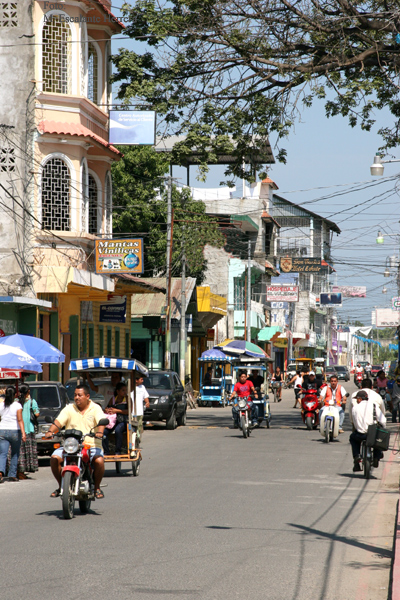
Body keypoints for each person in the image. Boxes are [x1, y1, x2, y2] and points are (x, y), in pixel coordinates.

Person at [44, 384, 107, 499]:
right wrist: (50, 431)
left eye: (80, 395)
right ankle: (61, 486)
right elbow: (58, 422)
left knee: (99, 461)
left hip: (91, 445)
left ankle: (97, 487)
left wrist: (100, 432)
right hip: (71, 445)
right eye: (75, 395)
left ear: (87, 396)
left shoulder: (95, 408)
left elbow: (101, 422)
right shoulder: (69, 408)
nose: (77, 397)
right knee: (54, 458)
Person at [349, 389, 386, 471]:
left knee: (352, 438)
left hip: (360, 434)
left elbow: (354, 422)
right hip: (372, 434)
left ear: (359, 399)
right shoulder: (373, 406)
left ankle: (357, 455)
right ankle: (376, 457)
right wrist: (383, 428)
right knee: (378, 439)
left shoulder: (355, 408)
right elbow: (383, 420)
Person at [0, 386, 26, 482]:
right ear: (15, 394)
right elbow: (20, 420)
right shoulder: (17, 405)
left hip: (2, 430)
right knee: (15, 453)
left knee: (3, 453)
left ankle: (0, 472)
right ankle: (12, 474)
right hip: (15, 431)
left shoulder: (1, 405)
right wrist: (23, 433)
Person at [14, 384, 39, 479]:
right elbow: (37, 414)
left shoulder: (15, 402)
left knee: (18, 452)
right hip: (28, 429)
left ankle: (17, 471)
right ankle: (21, 472)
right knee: (26, 452)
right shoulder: (32, 402)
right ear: (28, 391)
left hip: (17, 429)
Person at [102, 382, 129, 455]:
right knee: (104, 432)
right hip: (113, 421)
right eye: (123, 390)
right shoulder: (113, 399)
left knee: (118, 430)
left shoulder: (127, 399)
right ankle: (106, 451)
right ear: (118, 391)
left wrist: (117, 410)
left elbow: (129, 411)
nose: (125, 392)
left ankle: (118, 451)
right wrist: (107, 410)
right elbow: (108, 407)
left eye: (125, 390)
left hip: (123, 421)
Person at [131, 374, 150, 445]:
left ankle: (137, 439)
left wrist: (147, 402)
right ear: (136, 380)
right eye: (141, 379)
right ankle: (132, 440)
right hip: (131, 412)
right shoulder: (130, 387)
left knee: (139, 426)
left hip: (139, 412)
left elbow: (145, 396)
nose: (143, 380)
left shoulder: (142, 387)